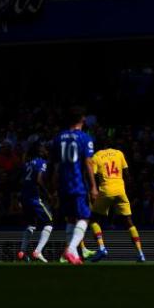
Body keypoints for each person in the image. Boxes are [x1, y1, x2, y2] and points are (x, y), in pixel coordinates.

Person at [50, 106, 98, 265]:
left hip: (63, 184)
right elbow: (88, 164)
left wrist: (53, 187)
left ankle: (71, 255)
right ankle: (70, 249)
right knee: (85, 217)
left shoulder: (58, 138)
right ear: (83, 120)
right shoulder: (85, 138)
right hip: (77, 183)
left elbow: (54, 166)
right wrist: (93, 186)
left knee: (71, 219)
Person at [84, 140, 145, 262]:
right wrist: (127, 190)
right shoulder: (119, 153)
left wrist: (92, 189)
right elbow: (127, 174)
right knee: (129, 222)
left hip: (105, 190)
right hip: (120, 190)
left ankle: (102, 247)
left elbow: (91, 174)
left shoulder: (96, 156)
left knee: (94, 219)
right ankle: (140, 253)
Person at [17, 142, 53, 263]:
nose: (47, 151)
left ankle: (22, 251)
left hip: (24, 197)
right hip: (34, 198)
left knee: (31, 224)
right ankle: (38, 251)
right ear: (41, 152)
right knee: (49, 222)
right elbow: (39, 179)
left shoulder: (27, 164)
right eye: (45, 149)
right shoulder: (42, 162)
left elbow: (22, 180)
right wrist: (47, 193)